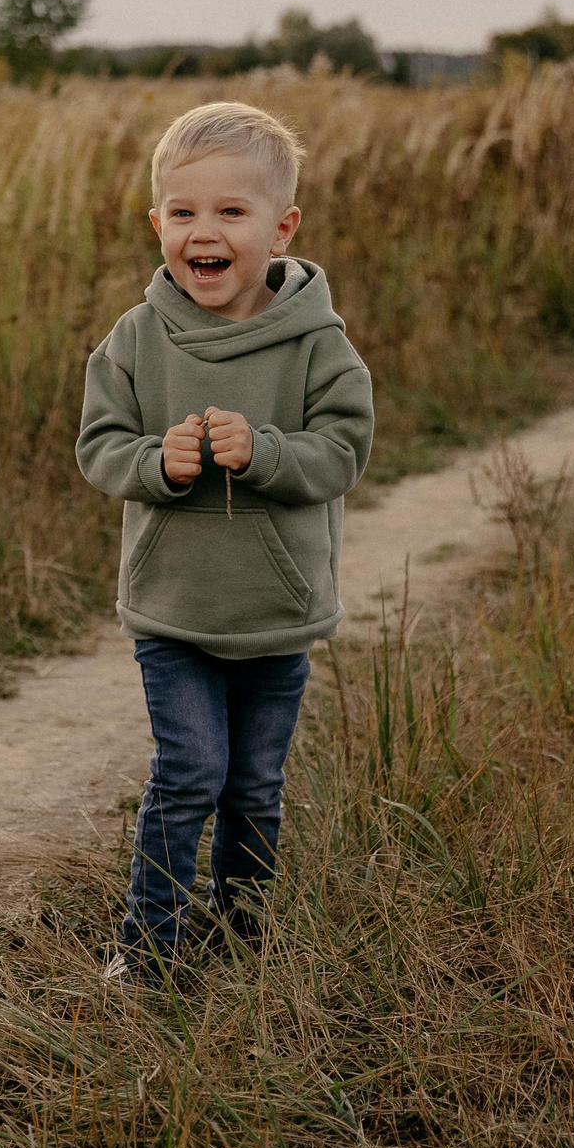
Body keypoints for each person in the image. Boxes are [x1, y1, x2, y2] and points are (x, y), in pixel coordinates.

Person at [75, 100, 374, 980]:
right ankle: (150, 947)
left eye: (230, 213)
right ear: (158, 222)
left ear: (280, 230)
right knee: (190, 772)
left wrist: (270, 450)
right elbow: (98, 447)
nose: (203, 231)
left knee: (252, 786)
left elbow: (345, 449)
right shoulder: (135, 339)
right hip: (174, 607)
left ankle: (245, 936)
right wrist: (154, 462)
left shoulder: (318, 344)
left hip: (276, 609)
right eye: (183, 212)